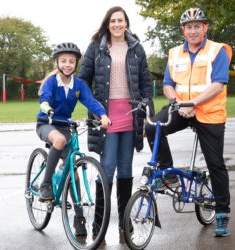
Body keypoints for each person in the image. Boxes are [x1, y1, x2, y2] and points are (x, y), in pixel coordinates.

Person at [145, 7, 232, 237]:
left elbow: (219, 83)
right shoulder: (174, 53)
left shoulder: (217, 50)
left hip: (209, 113)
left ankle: (222, 214)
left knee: (215, 164)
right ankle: (169, 174)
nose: (193, 30)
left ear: (205, 28)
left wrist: (193, 103)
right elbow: (167, 84)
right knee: (152, 126)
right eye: (189, 27)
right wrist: (177, 103)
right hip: (181, 109)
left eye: (198, 26)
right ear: (183, 30)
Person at [79, 6, 153, 234]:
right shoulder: (96, 46)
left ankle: (124, 222)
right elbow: (83, 82)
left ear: (126, 23)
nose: (117, 24)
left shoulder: (136, 48)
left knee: (126, 168)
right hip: (106, 117)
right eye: (113, 21)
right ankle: (99, 224)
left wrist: (147, 112)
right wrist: (95, 110)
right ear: (107, 23)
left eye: (121, 20)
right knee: (107, 167)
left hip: (130, 116)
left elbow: (145, 83)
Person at [36, 42, 111, 236]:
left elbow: (90, 101)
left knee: (74, 171)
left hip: (65, 125)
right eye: (63, 61)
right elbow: (43, 100)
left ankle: (79, 219)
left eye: (71, 61)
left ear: (76, 63)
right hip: (47, 123)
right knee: (59, 141)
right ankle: (45, 185)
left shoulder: (78, 84)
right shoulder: (51, 82)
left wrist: (102, 115)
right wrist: (48, 109)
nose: (68, 64)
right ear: (57, 62)